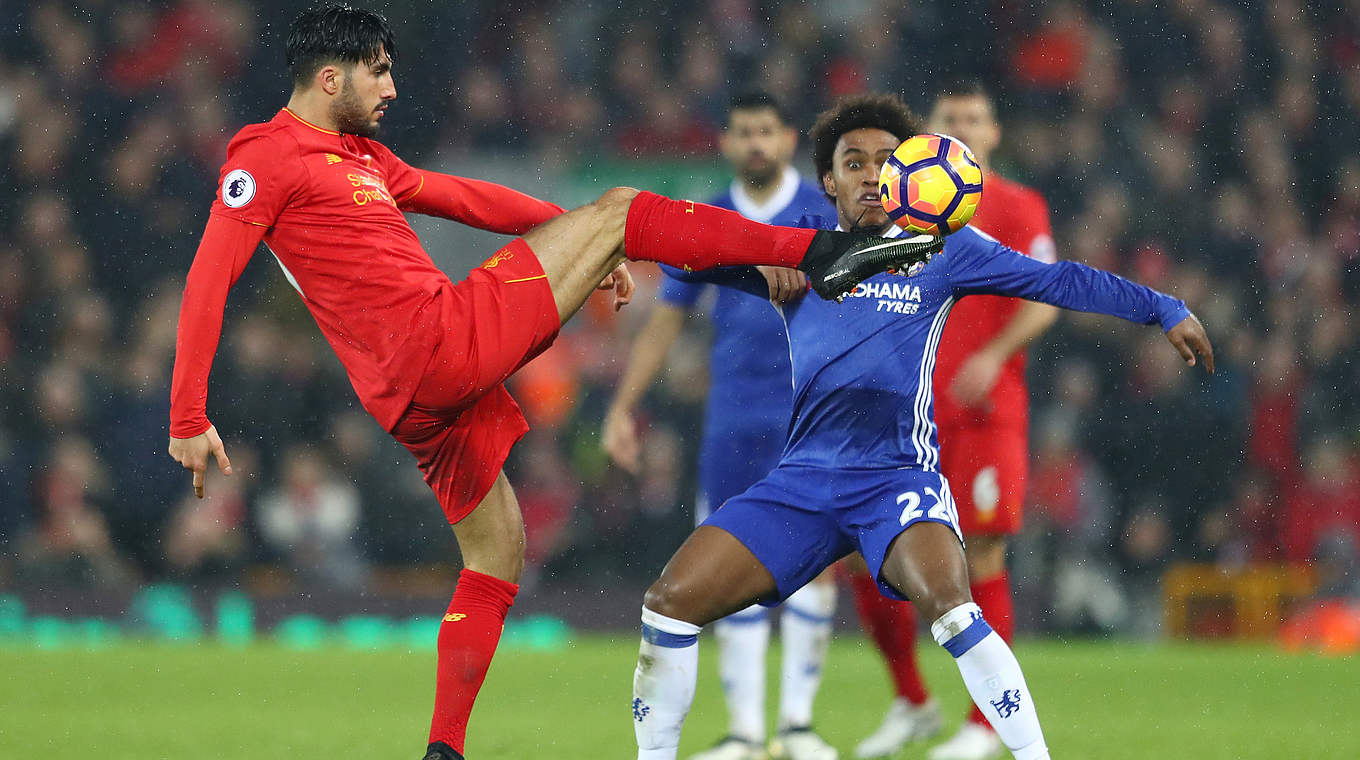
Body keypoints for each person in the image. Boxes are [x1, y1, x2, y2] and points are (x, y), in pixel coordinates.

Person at [164, 8, 942, 760]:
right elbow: (209, 275)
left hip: (414, 398)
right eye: (380, 73)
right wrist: (188, 413)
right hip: (439, 342)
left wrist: (575, 232)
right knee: (628, 208)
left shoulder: (361, 159)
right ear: (330, 78)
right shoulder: (261, 158)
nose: (393, 89)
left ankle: (444, 749)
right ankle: (816, 254)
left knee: (497, 554)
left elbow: (463, 198)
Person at [629, 92, 1214, 760]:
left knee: (952, 605)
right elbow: (687, 246)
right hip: (802, 484)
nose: (872, 174)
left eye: (887, 160)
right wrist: (618, 258)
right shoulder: (799, 252)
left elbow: (1057, 281)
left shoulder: (945, 248)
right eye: (855, 162)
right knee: (666, 603)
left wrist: (1160, 306)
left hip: (894, 480)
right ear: (829, 181)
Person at [604, 91, 838, 760]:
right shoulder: (707, 215)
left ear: (787, 136)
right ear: (728, 142)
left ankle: (795, 724)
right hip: (732, 418)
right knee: (728, 563)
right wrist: (625, 405)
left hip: (808, 413)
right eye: (744, 132)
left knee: (815, 564)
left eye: (767, 130)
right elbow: (668, 317)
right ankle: (744, 731)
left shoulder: (821, 214)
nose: (756, 142)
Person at [850, 81, 1059, 760]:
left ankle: (982, 724)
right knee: (859, 553)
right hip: (904, 414)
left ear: (994, 133)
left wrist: (994, 354)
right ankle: (912, 699)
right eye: (951, 119)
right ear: (927, 134)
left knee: (983, 554)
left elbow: (1048, 298)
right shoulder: (903, 212)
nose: (964, 128)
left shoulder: (1019, 206)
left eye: (975, 117)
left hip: (984, 414)